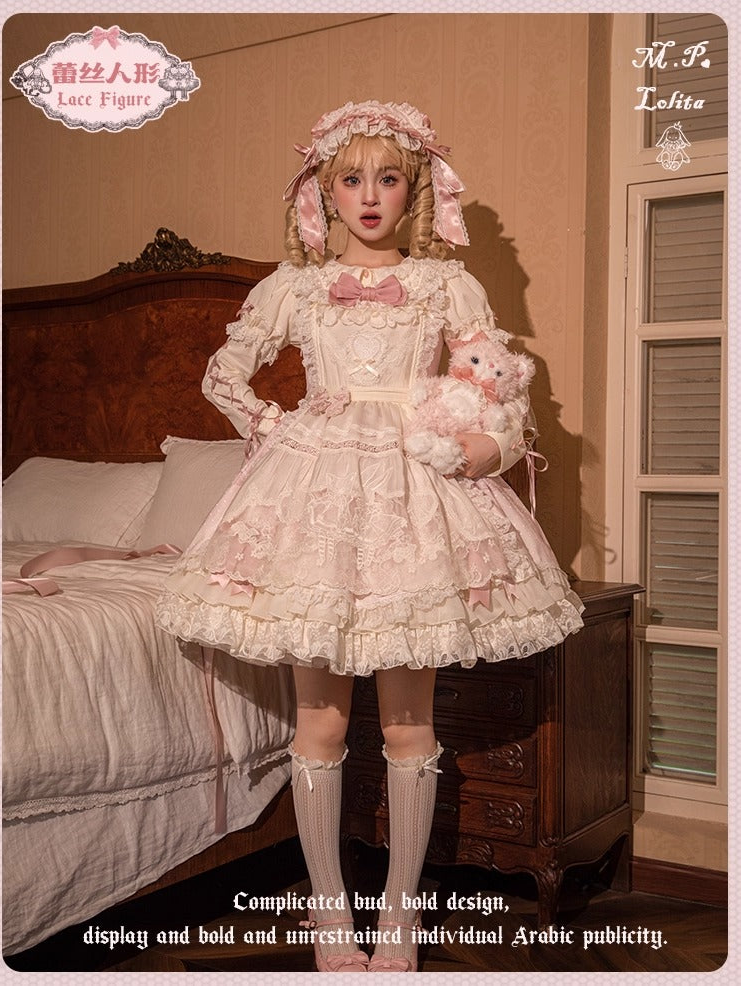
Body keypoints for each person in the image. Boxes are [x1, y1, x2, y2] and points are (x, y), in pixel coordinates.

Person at [156, 100, 584, 973]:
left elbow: (499, 389)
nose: (370, 196)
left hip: (415, 492)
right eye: (351, 180)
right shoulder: (294, 288)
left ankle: (398, 914)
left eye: (388, 178)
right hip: (315, 500)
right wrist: (278, 428)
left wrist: (490, 445)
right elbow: (223, 375)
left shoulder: (444, 284)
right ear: (326, 191)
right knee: (318, 724)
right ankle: (328, 913)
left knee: (407, 726)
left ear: (412, 188)